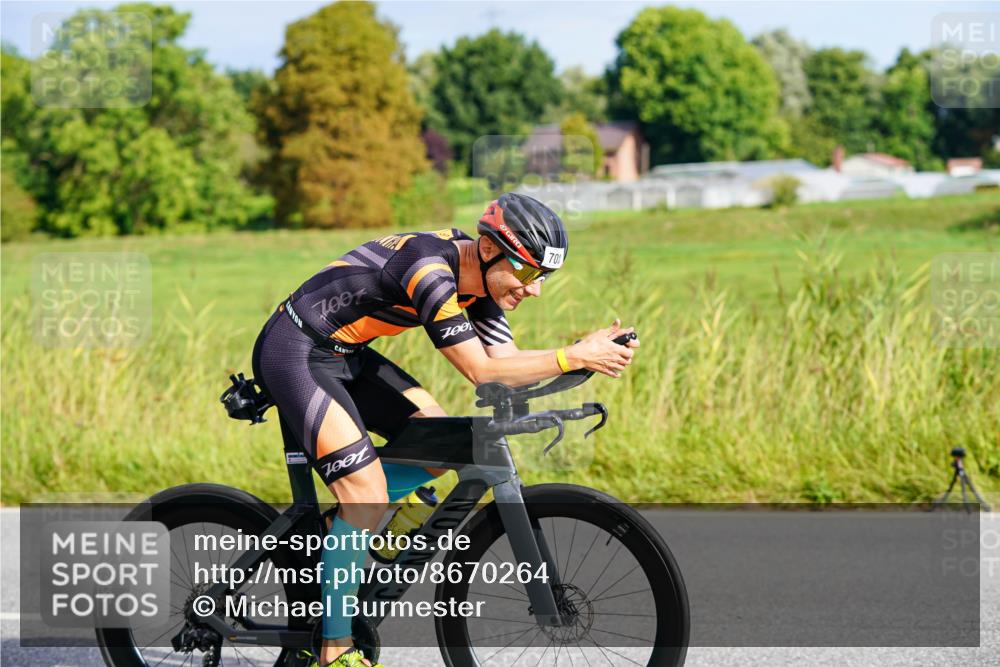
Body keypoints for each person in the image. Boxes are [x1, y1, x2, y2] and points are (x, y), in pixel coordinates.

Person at [250, 192, 639, 667]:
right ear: (491, 249)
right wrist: (573, 356)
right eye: (529, 272)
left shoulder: (480, 284)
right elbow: (481, 372)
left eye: (543, 277)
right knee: (365, 492)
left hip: (343, 353)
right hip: (295, 351)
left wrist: (581, 352)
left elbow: (506, 361)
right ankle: (333, 652)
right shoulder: (430, 272)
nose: (534, 289)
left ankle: (349, 523)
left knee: (436, 439)